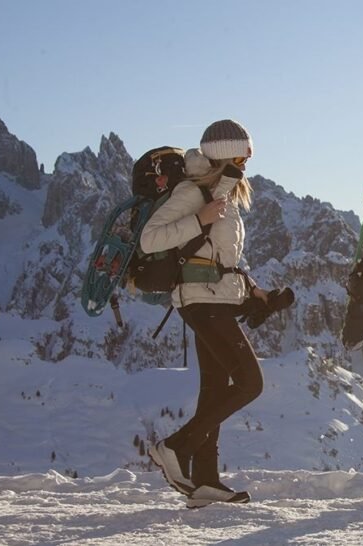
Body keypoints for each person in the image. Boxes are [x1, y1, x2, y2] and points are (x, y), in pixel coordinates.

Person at [142, 119, 269, 507]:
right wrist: (200, 218)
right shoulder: (193, 191)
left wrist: (250, 288)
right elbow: (150, 239)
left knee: (215, 389)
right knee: (250, 383)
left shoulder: (222, 193)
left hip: (215, 298)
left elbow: (214, 254)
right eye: (241, 157)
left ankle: (205, 482)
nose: (246, 164)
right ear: (224, 156)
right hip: (201, 302)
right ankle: (175, 446)